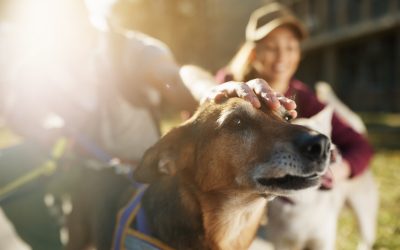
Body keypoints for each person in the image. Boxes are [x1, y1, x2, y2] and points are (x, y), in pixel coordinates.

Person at [0, 0, 297, 249]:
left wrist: (212, 91)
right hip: (81, 176)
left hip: (144, 179)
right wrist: (47, 131)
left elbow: (178, 76)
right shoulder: (39, 64)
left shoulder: (130, 50)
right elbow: (18, 112)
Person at [216, 2, 373, 186]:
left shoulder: (302, 97)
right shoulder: (228, 83)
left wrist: (338, 171)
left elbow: (360, 145)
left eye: (290, 48)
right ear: (253, 53)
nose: (282, 57)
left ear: (299, 54)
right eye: (271, 47)